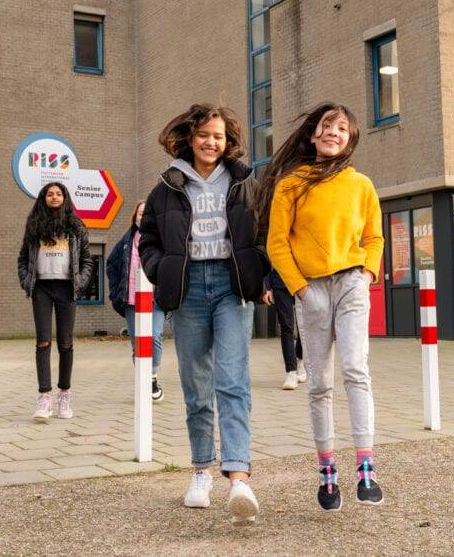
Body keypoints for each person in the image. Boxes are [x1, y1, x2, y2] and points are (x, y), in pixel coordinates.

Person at [138, 104, 270, 525]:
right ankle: (200, 471)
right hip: (189, 287)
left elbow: (266, 230)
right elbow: (149, 240)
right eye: (203, 135)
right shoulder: (167, 187)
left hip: (232, 288)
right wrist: (162, 271)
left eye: (219, 136)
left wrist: (258, 270)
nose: (211, 142)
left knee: (232, 380)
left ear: (228, 140)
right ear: (189, 138)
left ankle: (238, 477)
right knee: (196, 388)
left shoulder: (246, 182)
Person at [259, 103, 385, 511]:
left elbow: (375, 238)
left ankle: (366, 468)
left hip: (351, 283)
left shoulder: (361, 184)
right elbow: (276, 242)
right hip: (311, 289)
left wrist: (366, 277)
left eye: (342, 128)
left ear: (350, 139)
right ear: (313, 134)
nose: (334, 132)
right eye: (327, 126)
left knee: (355, 370)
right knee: (319, 384)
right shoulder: (292, 182)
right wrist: (299, 289)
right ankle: (327, 473)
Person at [17, 182, 94, 420]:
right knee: (42, 342)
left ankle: (64, 395)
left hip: (66, 288)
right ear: (43, 198)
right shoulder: (34, 226)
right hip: (41, 288)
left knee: (65, 344)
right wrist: (25, 279)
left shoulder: (75, 226)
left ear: (65, 197)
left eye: (58, 193)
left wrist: (80, 283)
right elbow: (22, 258)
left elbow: (87, 260)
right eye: (50, 194)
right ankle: (44, 398)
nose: (54, 197)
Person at [106, 200, 165, 401]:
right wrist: (115, 292)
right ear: (135, 217)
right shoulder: (126, 240)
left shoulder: (162, 239)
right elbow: (111, 264)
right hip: (131, 300)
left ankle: (152, 375)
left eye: (147, 214)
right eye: (140, 214)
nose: (143, 217)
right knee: (137, 343)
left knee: (154, 337)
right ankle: (144, 380)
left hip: (155, 300)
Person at [267, 269, 306, 390]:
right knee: (286, 327)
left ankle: (300, 359)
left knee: (303, 327)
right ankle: (291, 372)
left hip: (303, 282)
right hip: (280, 282)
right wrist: (267, 287)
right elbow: (267, 258)